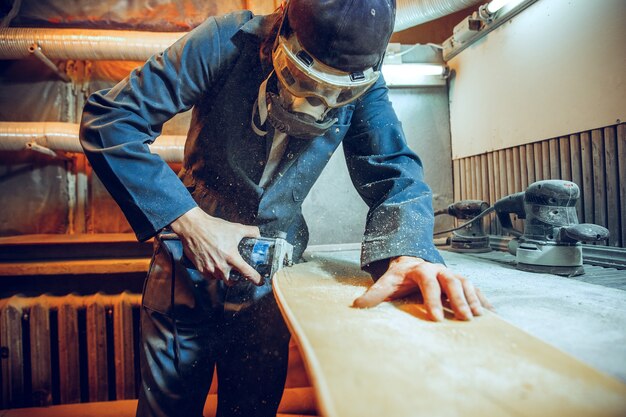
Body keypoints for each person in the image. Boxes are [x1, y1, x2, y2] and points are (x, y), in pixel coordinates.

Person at [80, 0, 490, 416]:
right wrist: (192, 223)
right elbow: (111, 120)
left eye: (339, 93)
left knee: (252, 409)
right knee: (168, 408)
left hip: (268, 274)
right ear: (282, 30)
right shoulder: (225, 41)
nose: (318, 103)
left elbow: (394, 170)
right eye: (305, 78)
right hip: (188, 260)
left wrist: (410, 250)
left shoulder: (366, 83)